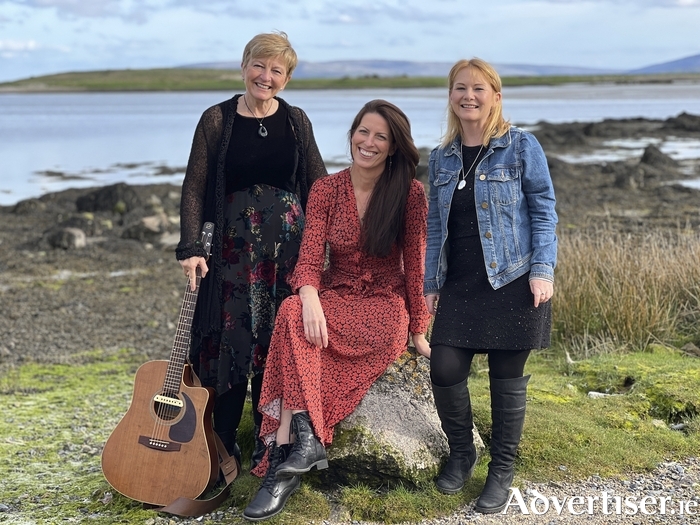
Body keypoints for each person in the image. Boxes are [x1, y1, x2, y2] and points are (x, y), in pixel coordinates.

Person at [241, 99, 432, 521]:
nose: (368, 142)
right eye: (363, 131)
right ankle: (305, 443)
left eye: (380, 136)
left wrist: (418, 329)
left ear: (394, 146)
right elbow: (309, 259)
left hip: (384, 306)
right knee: (292, 312)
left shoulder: (411, 194)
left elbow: (417, 264)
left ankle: (282, 455)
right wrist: (309, 296)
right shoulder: (326, 189)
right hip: (335, 292)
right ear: (351, 135)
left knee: (293, 332)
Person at [175, 31, 327, 473]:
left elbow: (318, 184)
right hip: (229, 256)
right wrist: (190, 247)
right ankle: (220, 443)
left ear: (287, 78)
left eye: (276, 70)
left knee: (275, 341)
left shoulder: (297, 120)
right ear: (244, 67)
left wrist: (332, 244)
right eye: (259, 66)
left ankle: (269, 441)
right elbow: (194, 186)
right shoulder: (217, 119)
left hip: (287, 256)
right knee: (229, 341)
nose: (266, 76)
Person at [423, 58, 557, 513]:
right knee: (444, 366)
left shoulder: (520, 146)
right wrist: (429, 282)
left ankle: (501, 471)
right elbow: (434, 225)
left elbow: (543, 210)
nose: (469, 96)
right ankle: (463, 454)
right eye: (460, 88)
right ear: (451, 96)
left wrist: (543, 270)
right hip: (460, 284)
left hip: (514, 279)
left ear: (495, 95)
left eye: (479, 88)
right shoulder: (441, 157)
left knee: (506, 379)